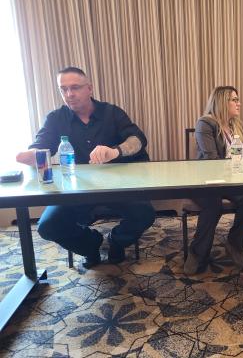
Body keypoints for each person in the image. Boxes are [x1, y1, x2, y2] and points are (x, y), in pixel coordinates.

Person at [16, 67, 156, 268]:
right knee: (47, 226)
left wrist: (114, 151)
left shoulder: (112, 112)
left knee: (145, 214)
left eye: (75, 88)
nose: (69, 94)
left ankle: (117, 241)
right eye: (63, 89)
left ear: (89, 88)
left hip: (118, 185)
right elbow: (42, 143)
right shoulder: (56, 118)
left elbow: (137, 140)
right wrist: (33, 153)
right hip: (76, 188)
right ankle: (91, 244)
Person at [183, 86, 243, 275]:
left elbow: (238, 157)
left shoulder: (234, 125)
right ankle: (198, 253)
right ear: (222, 102)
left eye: (238, 99)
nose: (239, 103)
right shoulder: (205, 124)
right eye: (234, 99)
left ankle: (234, 243)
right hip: (204, 181)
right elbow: (211, 161)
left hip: (228, 180)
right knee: (213, 204)